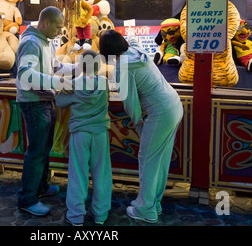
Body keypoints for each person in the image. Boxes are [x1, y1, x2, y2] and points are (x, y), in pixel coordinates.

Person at [99, 29, 183, 224]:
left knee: (148, 159)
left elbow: (131, 103)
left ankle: (145, 209)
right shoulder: (136, 51)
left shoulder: (123, 67)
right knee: (159, 159)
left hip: (160, 113)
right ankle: (155, 203)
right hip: (173, 105)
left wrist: (138, 125)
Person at [15, 6, 75, 216]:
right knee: (37, 151)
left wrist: (77, 69)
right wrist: (58, 82)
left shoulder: (45, 41)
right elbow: (25, 75)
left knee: (44, 147)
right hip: (33, 103)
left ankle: (41, 186)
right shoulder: (31, 42)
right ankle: (27, 199)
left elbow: (56, 67)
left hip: (45, 101)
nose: (60, 32)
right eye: (58, 27)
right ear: (46, 23)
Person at [55, 50, 112, 226]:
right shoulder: (104, 82)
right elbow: (107, 100)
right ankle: (101, 215)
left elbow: (59, 102)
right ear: (99, 66)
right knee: (101, 174)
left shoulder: (73, 84)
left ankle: (76, 216)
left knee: (77, 174)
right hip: (100, 133)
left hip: (80, 134)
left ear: (80, 66)